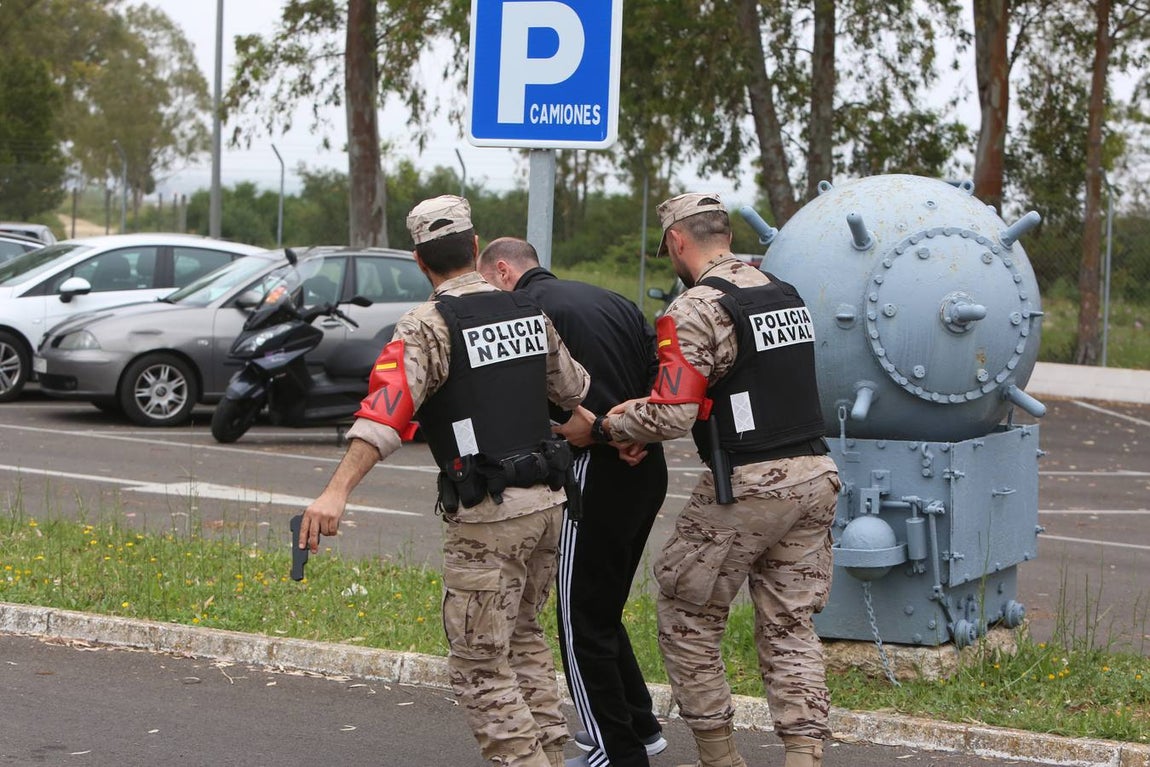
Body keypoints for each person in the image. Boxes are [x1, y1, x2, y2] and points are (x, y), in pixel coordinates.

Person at [298, 195, 590, 767]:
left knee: (481, 662)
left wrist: (336, 490)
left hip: (489, 516)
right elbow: (573, 389)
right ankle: (557, 757)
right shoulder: (527, 312)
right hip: (550, 503)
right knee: (526, 637)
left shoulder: (426, 326)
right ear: (476, 249)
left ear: (419, 261)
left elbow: (384, 412)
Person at [557, 193, 841, 767]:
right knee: (790, 625)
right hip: (815, 475)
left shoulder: (696, 307)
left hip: (748, 484)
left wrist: (610, 425)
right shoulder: (783, 293)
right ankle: (804, 756)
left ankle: (719, 755)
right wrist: (655, 409)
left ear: (678, 241)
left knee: (688, 614)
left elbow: (673, 412)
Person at [477, 238, 669, 767]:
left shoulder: (524, 313)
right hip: (645, 466)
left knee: (578, 618)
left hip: (591, 474)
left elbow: (517, 399)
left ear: (501, 270)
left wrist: (601, 434)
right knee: (602, 610)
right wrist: (633, 431)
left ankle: (614, 750)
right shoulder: (613, 300)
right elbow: (661, 375)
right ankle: (640, 727)